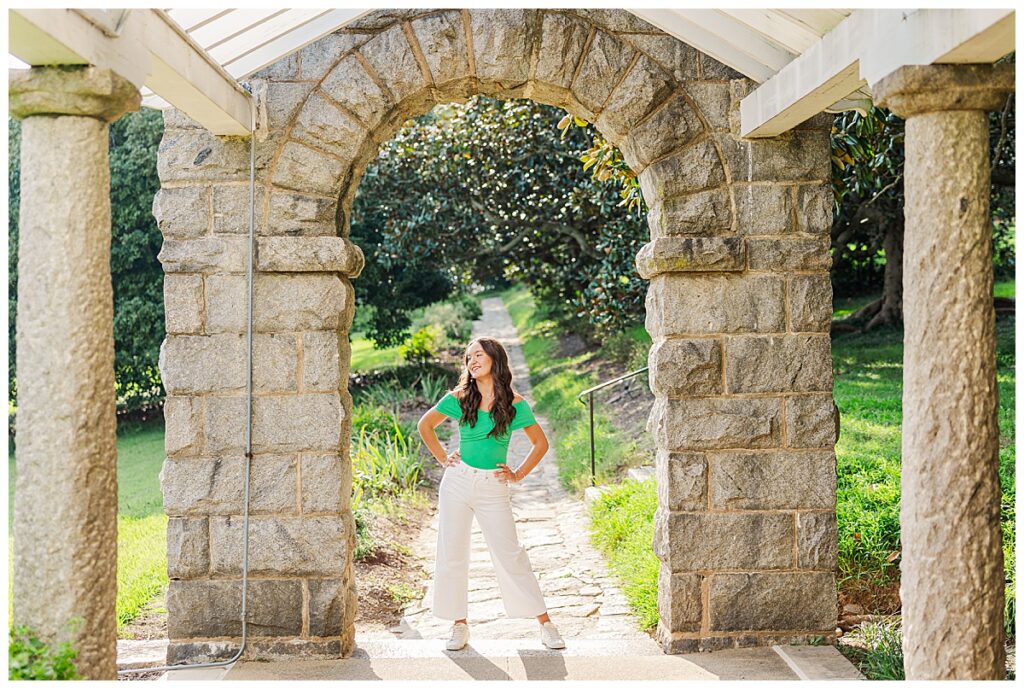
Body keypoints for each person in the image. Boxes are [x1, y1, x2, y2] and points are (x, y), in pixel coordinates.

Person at [417, 336, 566, 651]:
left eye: (478, 355)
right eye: (468, 357)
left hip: (493, 487)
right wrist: (444, 459)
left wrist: (518, 474)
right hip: (457, 482)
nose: (471, 361)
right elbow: (425, 426)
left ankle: (546, 623)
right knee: (452, 553)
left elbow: (541, 444)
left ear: (495, 358)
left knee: (510, 553)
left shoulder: (513, 402)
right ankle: (459, 625)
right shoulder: (459, 397)